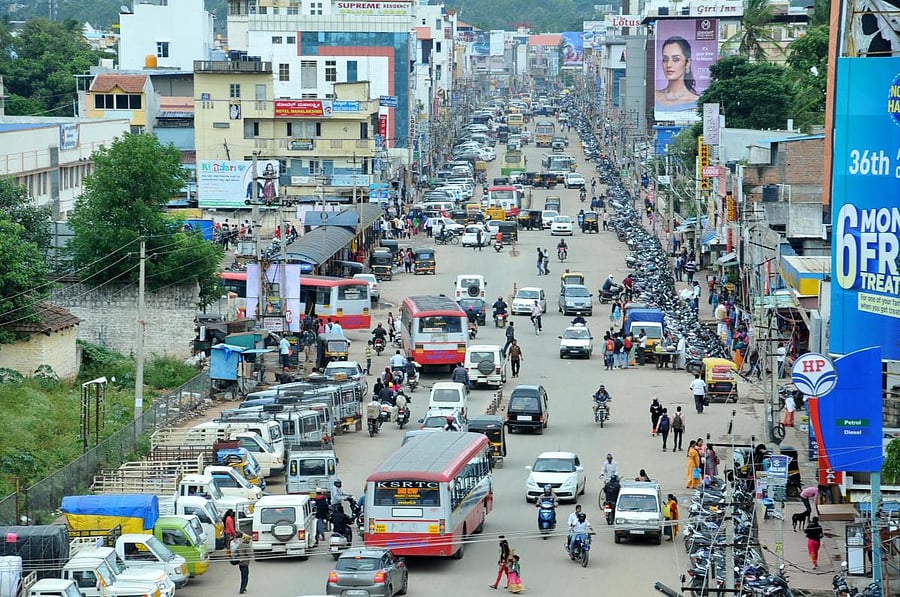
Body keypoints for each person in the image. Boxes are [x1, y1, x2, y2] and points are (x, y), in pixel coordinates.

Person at [655, 36, 701, 112]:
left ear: (688, 63)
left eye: (676, 59)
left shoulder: (697, 102)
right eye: (665, 59)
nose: (669, 65)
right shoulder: (654, 96)